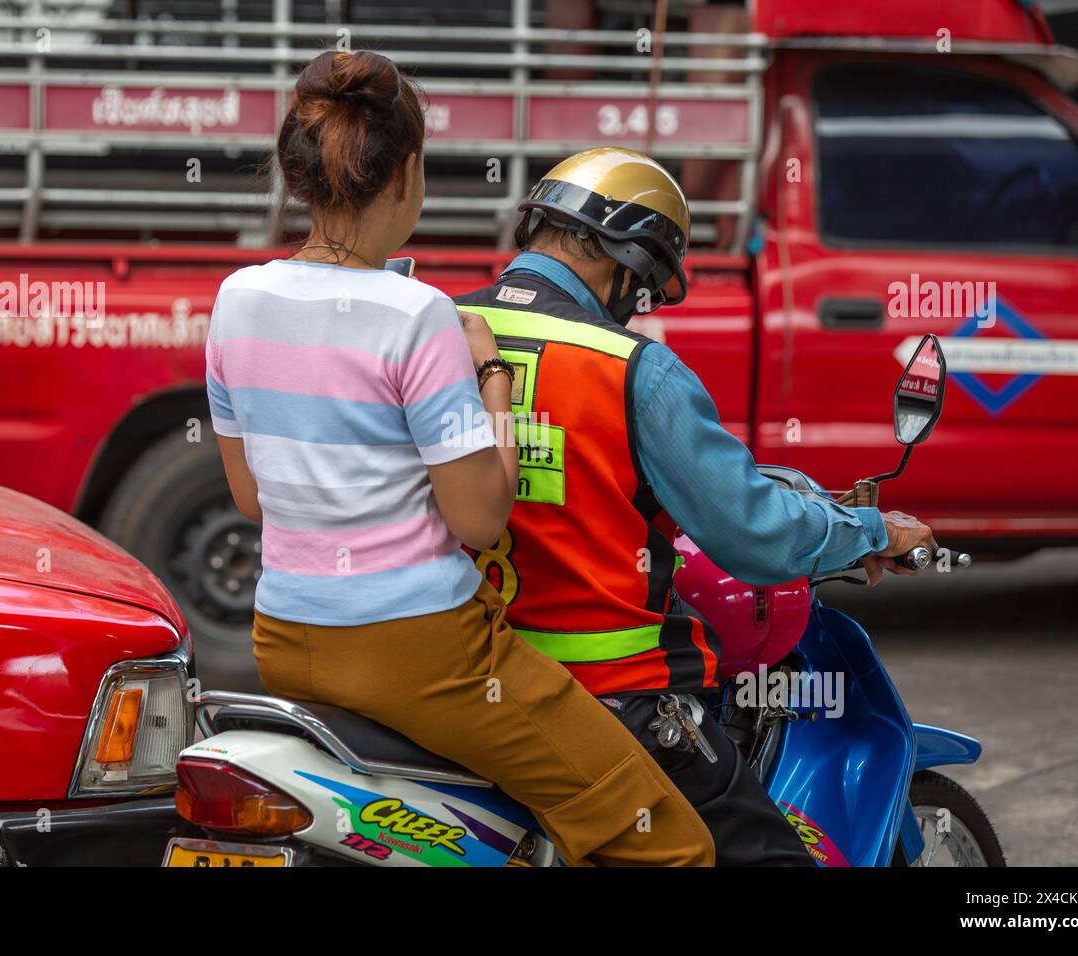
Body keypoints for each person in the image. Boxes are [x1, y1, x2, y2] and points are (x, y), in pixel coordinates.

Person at [204, 52, 715, 866]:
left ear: (300, 173)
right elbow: (479, 519)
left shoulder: (236, 299)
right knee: (669, 841)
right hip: (423, 654)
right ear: (407, 174)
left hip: (284, 636)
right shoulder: (422, 317)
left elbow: (253, 499)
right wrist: (494, 378)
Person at [454, 147, 939, 865]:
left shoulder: (436, 332)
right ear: (626, 255)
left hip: (460, 685)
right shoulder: (630, 368)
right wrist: (869, 530)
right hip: (612, 700)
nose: (637, 302)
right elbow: (755, 533)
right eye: (645, 281)